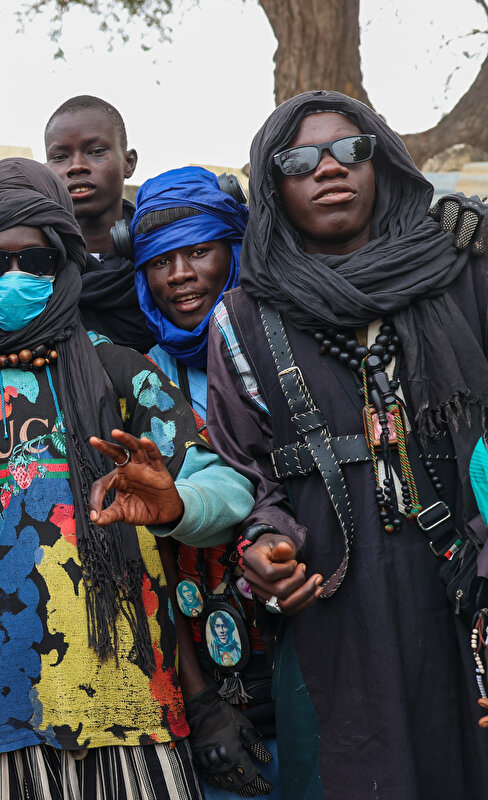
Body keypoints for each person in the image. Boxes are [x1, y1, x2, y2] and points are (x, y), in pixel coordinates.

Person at [0, 158, 256, 800]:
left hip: (141, 717)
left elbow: (230, 494)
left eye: (35, 261)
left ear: (64, 264)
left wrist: (177, 504)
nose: (14, 276)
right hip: (5, 728)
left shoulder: (123, 374)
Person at [206, 90, 488, 799]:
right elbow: (250, 474)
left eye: (349, 149)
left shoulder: (462, 272)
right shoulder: (243, 319)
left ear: (381, 161)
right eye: (300, 159)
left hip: (467, 596)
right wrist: (265, 545)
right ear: (274, 186)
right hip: (336, 611)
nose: (328, 168)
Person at [130, 166, 278, 798]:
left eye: (199, 250)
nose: (181, 274)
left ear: (235, 252)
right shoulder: (135, 381)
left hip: (304, 629)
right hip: (198, 659)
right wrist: (200, 701)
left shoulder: (284, 354)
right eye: (161, 261)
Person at [44, 95, 154, 352]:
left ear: (128, 163)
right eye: (60, 157)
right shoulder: (33, 267)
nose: (77, 166)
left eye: (96, 152)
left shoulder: (163, 256)